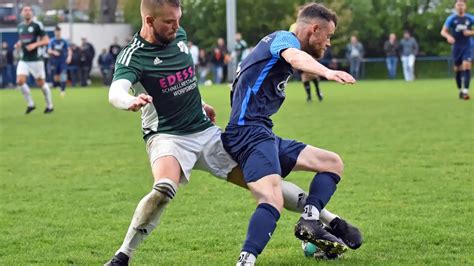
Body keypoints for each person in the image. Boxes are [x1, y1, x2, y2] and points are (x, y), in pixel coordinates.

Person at [104, 1, 361, 265]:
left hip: (206, 132)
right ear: (149, 21)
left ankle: (325, 220)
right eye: (170, 22)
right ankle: (124, 255)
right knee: (165, 188)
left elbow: (180, 79)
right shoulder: (133, 55)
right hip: (168, 135)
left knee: (267, 187)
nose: (177, 26)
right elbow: (116, 91)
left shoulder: (178, 36)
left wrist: (199, 103)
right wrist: (129, 101)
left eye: (178, 19)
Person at [221, 3, 359, 265]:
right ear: (314, 29)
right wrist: (328, 72)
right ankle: (245, 261)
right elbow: (295, 57)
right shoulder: (283, 39)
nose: (328, 43)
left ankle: (310, 219)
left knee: (332, 162)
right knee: (272, 199)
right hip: (247, 133)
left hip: (261, 132)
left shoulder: (271, 48)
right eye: (328, 36)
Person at [15, 5, 53, 114]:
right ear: (22, 13)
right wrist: (18, 44)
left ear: (32, 13)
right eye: (25, 10)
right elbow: (22, 40)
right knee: (20, 81)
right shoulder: (20, 27)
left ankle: (50, 105)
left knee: (41, 83)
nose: (27, 12)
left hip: (36, 59)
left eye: (29, 10)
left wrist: (35, 45)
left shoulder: (37, 25)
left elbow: (46, 40)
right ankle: (31, 104)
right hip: (24, 59)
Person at [441, 0, 473, 100]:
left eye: (462, 5)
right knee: (457, 70)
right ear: (455, 6)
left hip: (467, 46)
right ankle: (460, 90)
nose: (460, 7)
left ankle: (466, 91)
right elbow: (443, 31)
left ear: (465, 6)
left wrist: (471, 32)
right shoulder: (451, 19)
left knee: (467, 65)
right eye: (458, 5)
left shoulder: (470, 18)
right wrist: (448, 37)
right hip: (456, 47)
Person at [48, 26, 72, 97]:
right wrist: (53, 52)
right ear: (54, 32)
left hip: (62, 61)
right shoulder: (52, 41)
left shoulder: (64, 41)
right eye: (56, 31)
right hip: (54, 61)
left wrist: (69, 57)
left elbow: (69, 50)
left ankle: (63, 90)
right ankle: (57, 85)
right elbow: (49, 50)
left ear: (60, 32)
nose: (57, 33)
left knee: (63, 74)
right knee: (56, 77)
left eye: (59, 31)